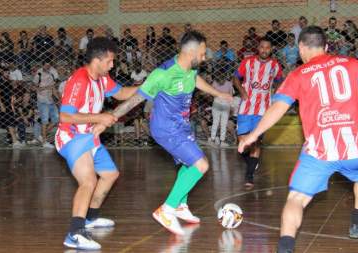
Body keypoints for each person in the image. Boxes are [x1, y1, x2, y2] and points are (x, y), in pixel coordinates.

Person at [238, 26, 358, 253]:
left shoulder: (298, 74)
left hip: (319, 151)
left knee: (296, 198)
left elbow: (278, 108)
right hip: (353, 146)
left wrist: (253, 135)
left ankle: (285, 247)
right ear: (326, 47)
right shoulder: (351, 63)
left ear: (301, 48)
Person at [112, 30, 233, 235]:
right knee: (201, 165)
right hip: (165, 128)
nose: (205, 58)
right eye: (203, 54)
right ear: (192, 52)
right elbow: (135, 100)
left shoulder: (190, 69)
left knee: (189, 163)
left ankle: (180, 206)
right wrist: (108, 119)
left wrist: (218, 93)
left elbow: (195, 81)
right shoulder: (162, 74)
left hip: (181, 125)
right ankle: (167, 209)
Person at [56, 37, 138, 250]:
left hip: (89, 137)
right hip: (71, 136)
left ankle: (90, 218)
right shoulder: (79, 79)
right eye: (110, 61)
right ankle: (74, 233)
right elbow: (65, 117)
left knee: (110, 175)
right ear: (97, 60)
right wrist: (100, 117)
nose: (112, 65)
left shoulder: (102, 78)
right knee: (88, 181)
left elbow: (121, 93)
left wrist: (149, 85)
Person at [233, 38, 283, 187]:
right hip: (246, 108)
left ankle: (249, 176)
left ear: (271, 49)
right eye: (262, 47)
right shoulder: (247, 62)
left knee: (255, 142)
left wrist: (276, 94)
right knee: (242, 142)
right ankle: (252, 163)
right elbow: (235, 78)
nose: (264, 50)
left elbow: (280, 80)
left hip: (263, 110)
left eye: (267, 48)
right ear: (258, 48)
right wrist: (242, 91)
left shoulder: (275, 65)